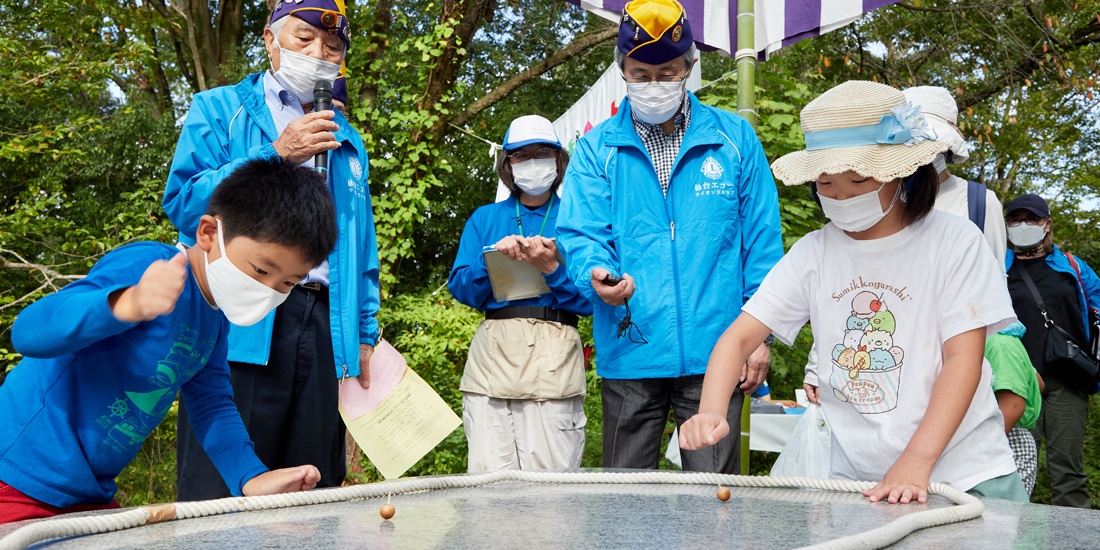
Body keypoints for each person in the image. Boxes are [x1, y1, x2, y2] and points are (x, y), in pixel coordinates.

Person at [680, 80, 1028, 504]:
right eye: (826, 184)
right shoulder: (814, 252)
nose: (841, 196)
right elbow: (736, 339)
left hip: (964, 474)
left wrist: (917, 459)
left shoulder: (955, 241)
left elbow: (963, 361)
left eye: (859, 179)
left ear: (903, 172)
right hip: (859, 483)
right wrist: (712, 410)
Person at [0, 158, 334, 523]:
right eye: (261, 269)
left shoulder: (215, 322)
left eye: (287, 283)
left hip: (87, 492)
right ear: (208, 233)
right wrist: (127, 303)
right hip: (16, 475)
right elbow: (28, 332)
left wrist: (251, 477)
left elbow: (213, 406)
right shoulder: (150, 266)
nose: (269, 290)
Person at [162, 0, 380, 500]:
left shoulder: (347, 140)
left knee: (312, 485)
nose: (318, 53)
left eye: (331, 47)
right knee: (222, 486)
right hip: (238, 311)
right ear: (268, 39)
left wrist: (364, 331)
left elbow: (360, 243)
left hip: (323, 322)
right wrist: (276, 152)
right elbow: (182, 203)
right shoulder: (219, 108)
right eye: (304, 40)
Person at [556, 0, 783, 474]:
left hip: (719, 354)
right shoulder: (597, 149)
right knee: (627, 502)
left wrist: (758, 337)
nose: (654, 84)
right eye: (640, 74)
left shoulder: (735, 138)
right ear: (621, 69)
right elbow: (580, 233)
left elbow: (761, 244)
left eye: (668, 73)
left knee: (714, 505)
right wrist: (595, 272)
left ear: (690, 67)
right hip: (630, 348)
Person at [448, 115, 593, 472]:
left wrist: (552, 270)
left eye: (542, 153)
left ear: (559, 160)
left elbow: (592, 299)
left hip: (555, 351)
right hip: (493, 353)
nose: (532, 162)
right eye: (521, 155)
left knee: (551, 491)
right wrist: (493, 260)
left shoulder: (579, 218)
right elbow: (461, 286)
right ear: (507, 164)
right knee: (488, 485)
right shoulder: (485, 218)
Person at [1004, 193, 1100, 508]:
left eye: (1031, 219)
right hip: (1019, 382)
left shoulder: (1073, 266)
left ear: (1047, 225)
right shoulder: (996, 268)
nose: (1023, 225)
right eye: (1015, 219)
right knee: (1014, 469)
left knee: (1068, 471)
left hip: (1069, 380)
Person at [984, 321, 1043, 495]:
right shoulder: (1005, 341)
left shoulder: (998, 344)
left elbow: (1014, 405)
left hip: (1007, 437)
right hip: (1007, 435)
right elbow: (1038, 383)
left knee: (1006, 517)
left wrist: (983, 446)